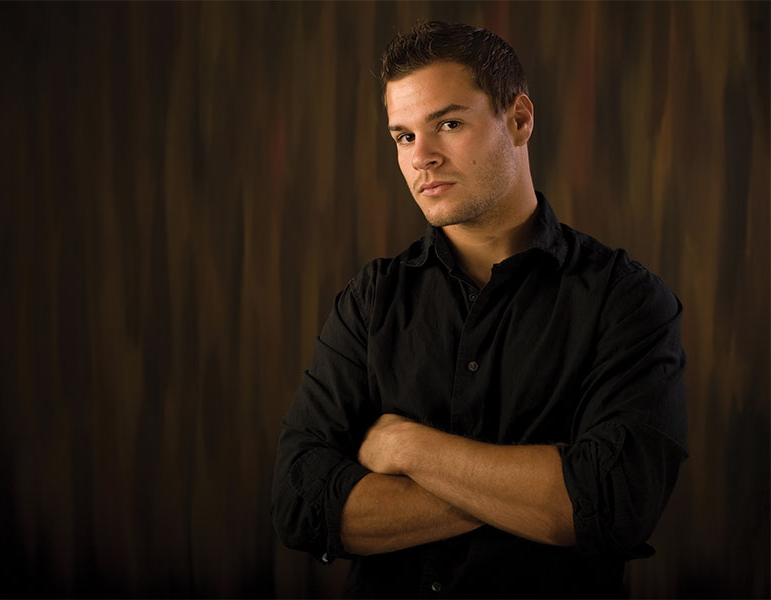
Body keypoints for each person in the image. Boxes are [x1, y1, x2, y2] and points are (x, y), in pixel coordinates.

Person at [271, 21, 687, 598]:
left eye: (448, 124)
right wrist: (538, 494)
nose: (422, 158)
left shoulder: (626, 300)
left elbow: (613, 503)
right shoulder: (372, 298)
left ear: (519, 120)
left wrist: (409, 448)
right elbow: (300, 503)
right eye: (404, 136)